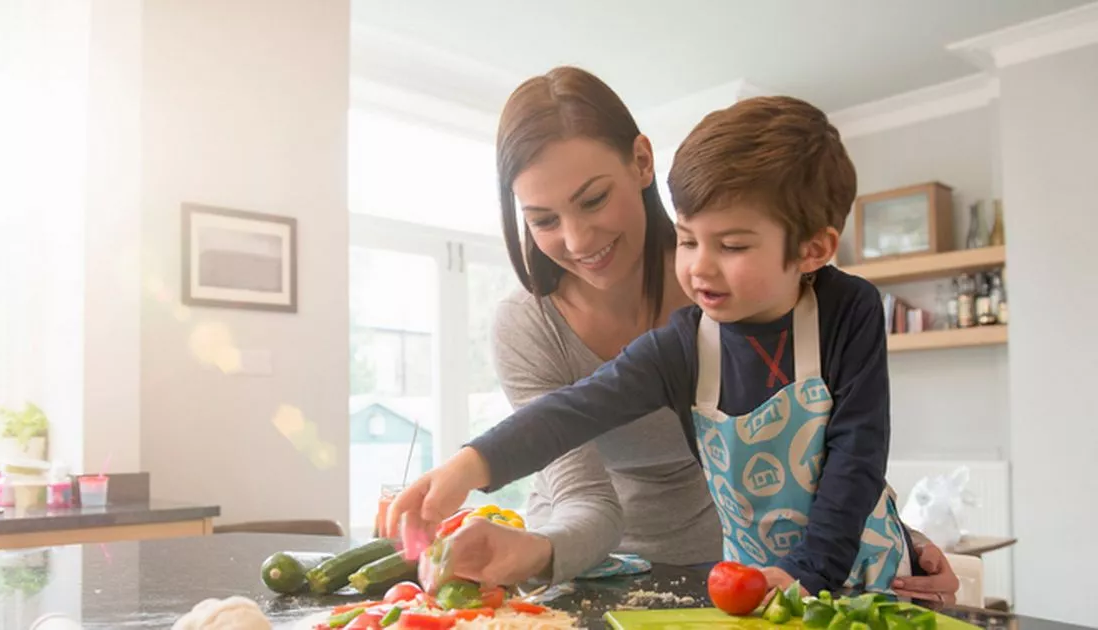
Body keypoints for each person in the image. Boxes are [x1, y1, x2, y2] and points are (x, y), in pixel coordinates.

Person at [386, 67, 959, 601]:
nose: (701, 270)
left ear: (813, 250)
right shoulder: (684, 340)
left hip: (828, 572)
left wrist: (870, 548)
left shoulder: (846, 307)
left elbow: (853, 456)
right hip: (726, 581)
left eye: (730, 246)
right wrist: (464, 467)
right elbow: (572, 411)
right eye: (688, 239)